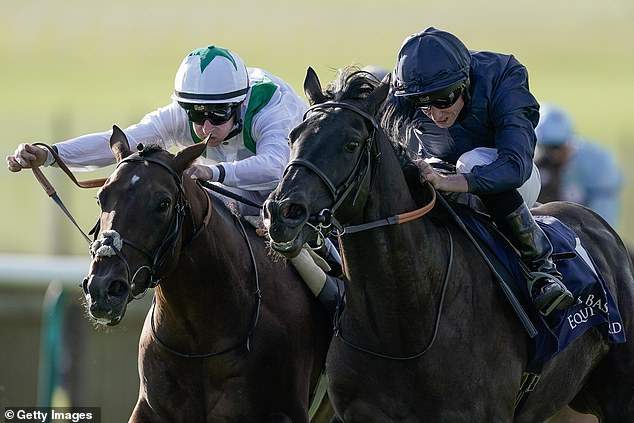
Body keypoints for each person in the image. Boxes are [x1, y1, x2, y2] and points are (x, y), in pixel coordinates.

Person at [6, 45, 340, 313]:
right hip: (231, 192)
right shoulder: (188, 111)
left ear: (240, 105)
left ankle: (343, 302)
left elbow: (275, 164)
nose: (205, 126)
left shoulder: (272, 108)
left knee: (287, 232)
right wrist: (51, 154)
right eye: (196, 115)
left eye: (217, 115)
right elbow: (124, 139)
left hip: (289, 193)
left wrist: (213, 171)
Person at [384, 27, 574, 316]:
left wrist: (454, 181)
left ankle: (541, 268)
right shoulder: (409, 87)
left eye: (444, 99)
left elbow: (515, 166)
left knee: (471, 161)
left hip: (511, 182)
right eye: (421, 103)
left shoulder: (503, 75)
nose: (435, 113)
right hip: (440, 172)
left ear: (466, 82)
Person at [534, 103, 623, 228]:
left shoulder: (596, 163)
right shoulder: (533, 163)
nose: (550, 155)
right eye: (544, 148)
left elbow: (603, 222)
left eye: (556, 147)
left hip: (583, 231)